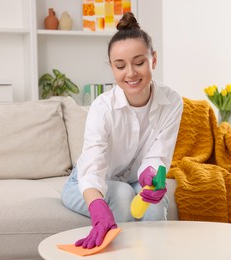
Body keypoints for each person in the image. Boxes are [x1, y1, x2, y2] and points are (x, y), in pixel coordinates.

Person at [61, 12, 183, 249]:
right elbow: (93, 166)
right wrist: (97, 207)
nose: (130, 73)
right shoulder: (102, 108)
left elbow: (159, 154)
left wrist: (152, 176)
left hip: (135, 180)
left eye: (139, 63)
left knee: (154, 204)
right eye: (120, 66)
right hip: (88, 183)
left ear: (153, 59)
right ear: (112, 67)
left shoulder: (172, 101)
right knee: (121, 194)